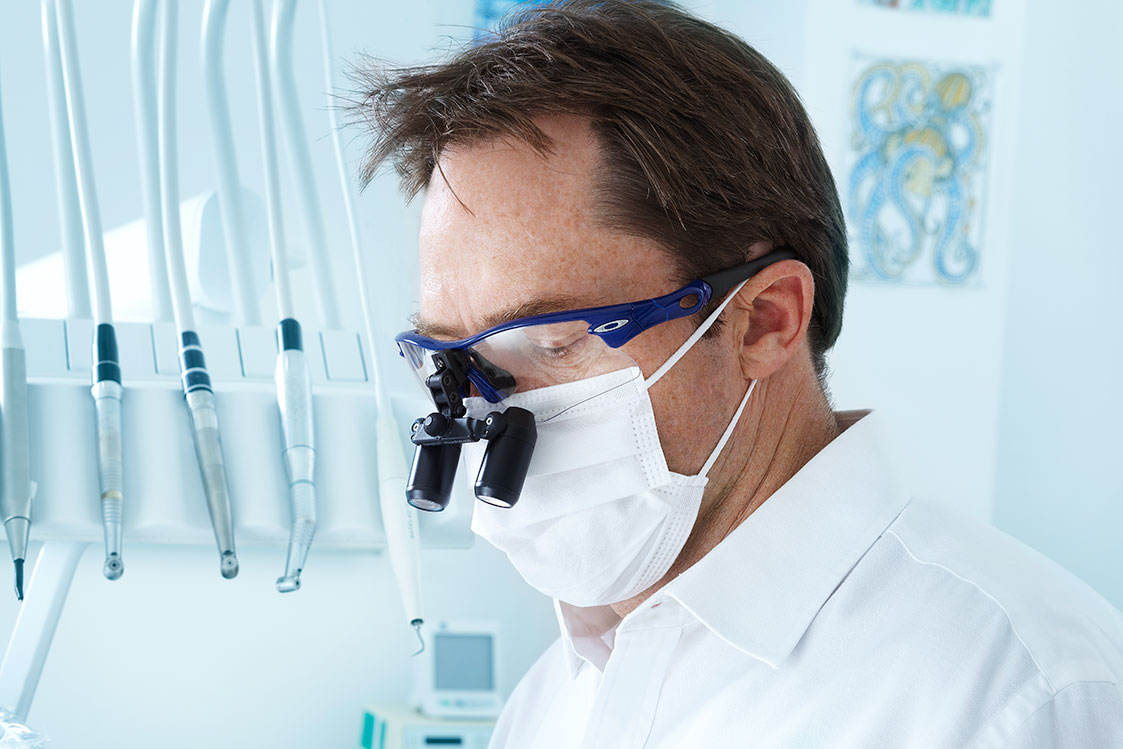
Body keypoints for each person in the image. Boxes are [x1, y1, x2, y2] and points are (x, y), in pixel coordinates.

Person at [352, 1, 1123, 746]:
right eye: (455, 360)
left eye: (552, 342)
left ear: (765, 321)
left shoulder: (1019, 694)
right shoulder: (554, 699)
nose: (487, 418)